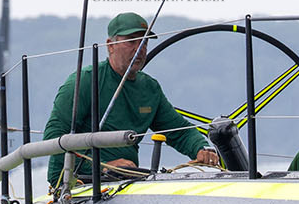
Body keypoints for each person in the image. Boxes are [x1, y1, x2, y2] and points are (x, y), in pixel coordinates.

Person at [43, 12, 219, 186]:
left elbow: (179, 131)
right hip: (78, 184)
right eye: (131, 41)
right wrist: (102, 166)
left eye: (144, 42)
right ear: (110, 45)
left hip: (125, 183)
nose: (139, 48)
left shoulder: (149, 88)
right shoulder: (86, 80)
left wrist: (201, 148)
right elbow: (54, 135)